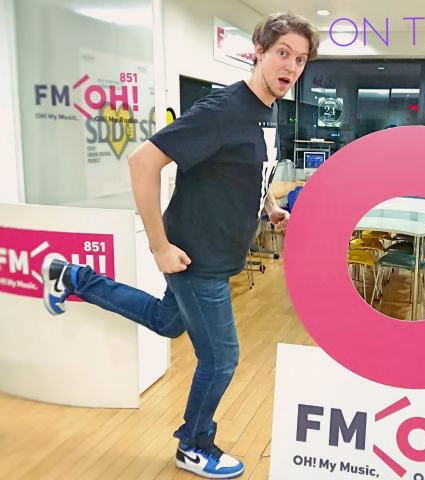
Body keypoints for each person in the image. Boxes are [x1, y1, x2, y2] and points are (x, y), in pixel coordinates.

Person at [40, 12, 318, 479]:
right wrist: (159, 247)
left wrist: (269, 207)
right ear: (258, 52)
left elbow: (246, 170)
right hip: (196, 254)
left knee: (166, 321)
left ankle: (69, 276)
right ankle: (194, 444)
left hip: (215, 251)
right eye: (283, 53)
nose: (291, 66)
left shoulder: (261, 109)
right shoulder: (223, 109)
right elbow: (142, 163)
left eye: (301, 59)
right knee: (221, 359)